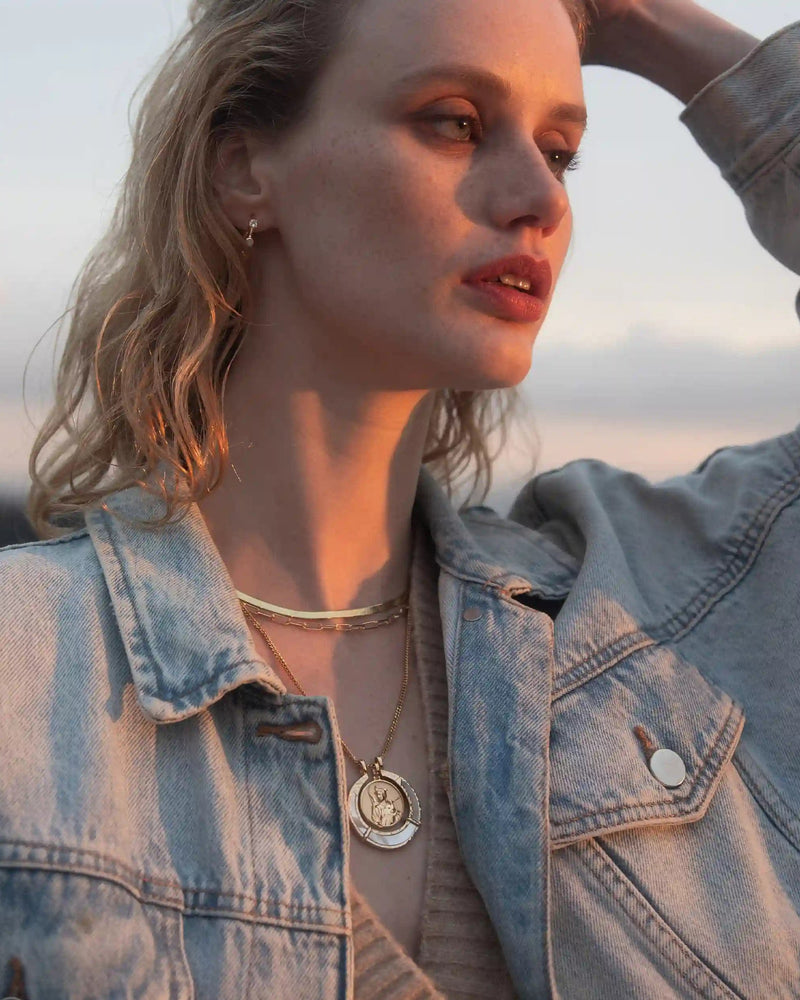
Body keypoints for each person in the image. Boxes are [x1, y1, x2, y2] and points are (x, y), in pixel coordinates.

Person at [1, 0, 798, 995]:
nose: (536, 202)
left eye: (560, 153)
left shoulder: (656, 607)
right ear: (243, 169)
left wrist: (643, 24)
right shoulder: (25, 678)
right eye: (453, 121)